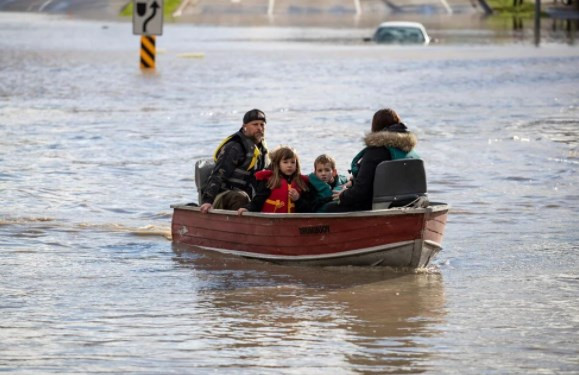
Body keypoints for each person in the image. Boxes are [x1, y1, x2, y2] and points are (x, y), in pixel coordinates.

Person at [328, 108, 420, 212]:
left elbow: (361, 191)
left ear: (375, 127)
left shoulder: (375, 152)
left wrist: (343, 195)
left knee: (326, 207)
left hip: (374, 206)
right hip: (408, 201)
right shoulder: (410, 152)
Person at [199, 109, 269, 213]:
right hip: (223, 196)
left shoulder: (262, 149)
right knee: (240, 197)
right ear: (244, 126)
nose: (259, 128)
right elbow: (218, 174)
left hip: (249, 197)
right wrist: (208, 200)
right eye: (255, 124)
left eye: (262, 125)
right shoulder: (234, 147)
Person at [238, 146, 312, 214]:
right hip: (272, 220)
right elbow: (258, 200)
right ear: (278, 165)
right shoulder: (269, 181)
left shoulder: (302, 183)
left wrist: (298, 199)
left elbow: (308, 208)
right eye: (285, 162)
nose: (289, 165)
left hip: (293, 222)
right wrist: (247, 208)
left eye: (293, 162)